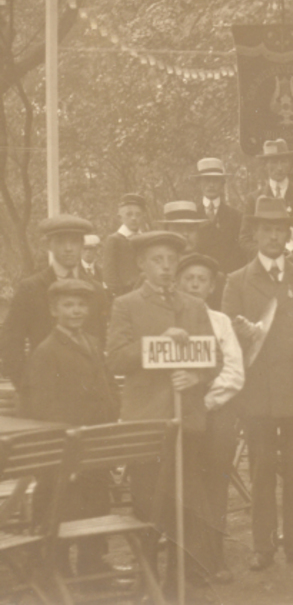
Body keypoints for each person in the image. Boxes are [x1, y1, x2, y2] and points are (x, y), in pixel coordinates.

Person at [106, 230, 217, 587]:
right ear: (141, 264)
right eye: (157, 260)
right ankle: (148, 582)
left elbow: (214, 358)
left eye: (171, 260)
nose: (166, 267)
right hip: (147, 422)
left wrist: (196, 376)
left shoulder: (195, 306)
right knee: (148, 506)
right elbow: (116, 359)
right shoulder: (126, 304)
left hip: (187, 420)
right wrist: (156, 344)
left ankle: (183, 583)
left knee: (186, 506)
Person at [223, 197, 293, 571]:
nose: (273, 237)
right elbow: (227, 340)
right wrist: (244, 334)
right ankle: (262, 546)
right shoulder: (236, 281)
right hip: (259, 397)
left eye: (280, 230)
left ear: (288, 234)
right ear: (255, 233)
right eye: (266, 229)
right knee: (262, 472)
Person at [24, 279, 119, 577]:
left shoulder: (92, 342)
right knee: (61, 504)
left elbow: (106, 385)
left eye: (81, 305)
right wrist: (66, 442)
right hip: (66, 445)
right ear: (54, 310)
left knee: (97, 502)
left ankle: (93, 568)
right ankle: (55, 570)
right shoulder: (46, 351)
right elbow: (43, 406)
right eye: (68, 305)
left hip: (96, 440)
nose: (76, 311)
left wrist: (112, 412)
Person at [175, 253, 245, 584]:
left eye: (201, 280)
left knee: (215, 483)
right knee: (185, 485)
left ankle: (215, 557)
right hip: (180, 417)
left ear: (211, 287)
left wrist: (204, 403)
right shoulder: (171, 321)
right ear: (178, 283)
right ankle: (187, 560)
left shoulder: (221, 322)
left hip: (215, 414)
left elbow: (234, 372)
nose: (194, 285)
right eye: (188, 279)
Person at [0, 215, 109, 397]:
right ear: (48, 245)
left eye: (74, 241)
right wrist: (26, 387)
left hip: (88, 395)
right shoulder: (31, 288)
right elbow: (11, 343)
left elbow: (100, 341)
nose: (68, 248)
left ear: (82, 244)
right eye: (60, 242)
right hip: (45, 393)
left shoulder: (96, 290)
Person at [238, 138, 293, 260]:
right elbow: (245, 239)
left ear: (289, 164)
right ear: (265, 165)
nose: (279, 168)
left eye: (283, 161)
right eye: (274, 162)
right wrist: (265, 255)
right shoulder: (253, 199)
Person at [192, 157, 246, 275]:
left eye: (215, 180)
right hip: (199, 277)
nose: (211, 185)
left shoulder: (236, 216)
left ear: (222, 184)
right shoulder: (192, 216)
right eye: (207, 180)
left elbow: (240, 252)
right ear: (199, 183)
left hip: (228, 277)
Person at [103, 193, 147, 297]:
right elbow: (109, 275)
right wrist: (118, 295)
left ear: (143, 216)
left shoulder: (146, 239)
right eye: (129, 214)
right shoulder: (114, 240)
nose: (134, 218)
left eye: (138, 214)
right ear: (120, 218)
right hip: (124, 294)